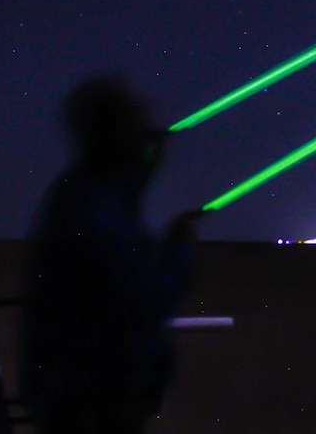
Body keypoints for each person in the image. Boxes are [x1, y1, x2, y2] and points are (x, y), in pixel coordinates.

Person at [19, 75, 202, 433]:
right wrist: (180, 249)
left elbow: (122, 196)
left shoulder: (81, 190)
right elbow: (148, 301)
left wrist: (149, 163)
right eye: (135, 126)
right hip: (96, 401)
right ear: (116, 133)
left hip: (75, 392)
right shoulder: (96, 214)